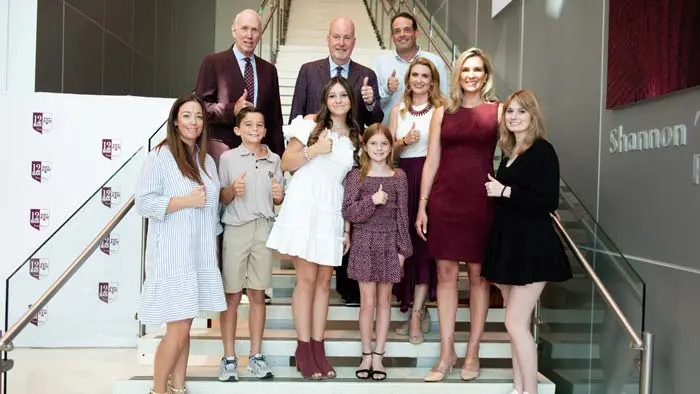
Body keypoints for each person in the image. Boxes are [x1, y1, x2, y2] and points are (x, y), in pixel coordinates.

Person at [415, 47, 502, 382]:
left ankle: (472, 352)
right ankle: (446, 352)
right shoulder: (442, 111)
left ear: (485, 74)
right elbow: (432, 160)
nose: (471, 75)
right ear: (458, 74)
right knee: (446, 275)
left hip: (480, 202)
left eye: (477, 69)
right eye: (466, 69)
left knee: (480, 278)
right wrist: (423, 204)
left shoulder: (498, 110)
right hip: (445, 201)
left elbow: (512, 155)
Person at [266, 77, 361, 379]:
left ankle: (318, 347)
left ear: (350, 100)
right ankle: (303, 347)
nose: (337, 100)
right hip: (305, 204)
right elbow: (286, 162)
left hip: (331, 210)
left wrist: (347, 229)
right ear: (325, 99)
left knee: (324, 283)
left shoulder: (356, 137)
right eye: (332, 95)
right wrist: (314, 150)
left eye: (343, 95)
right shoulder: (309, 125)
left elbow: (349, 185)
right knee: (306, 280)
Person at [135, 93, 227, 394]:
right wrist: (184, 201)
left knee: (186, 329)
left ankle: (178, 387)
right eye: (187, 116)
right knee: (177, 330)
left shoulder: (207, 162)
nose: (194, 122)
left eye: (199, 116)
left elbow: (211, 209)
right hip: (173, 255)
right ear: (175, 121)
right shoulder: (160, 157)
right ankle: (158, 390)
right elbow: (145, 203)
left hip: (199, 254)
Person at [482, 90, 572, 394]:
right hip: (510, 245)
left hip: (533, 247)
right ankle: (520, 387)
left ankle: (530, 391)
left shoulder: (542, 150)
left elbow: (548, 200)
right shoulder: (511, 152)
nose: (514, 117)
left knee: (515, 323)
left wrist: (505, 192)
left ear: (532, 115)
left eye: (521, 111)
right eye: (509, 112)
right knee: (514, 322)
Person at [289, 16, 381, 306]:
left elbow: (372, 122)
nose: (341, 43)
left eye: (347, 38)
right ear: (328, 39)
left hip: (347, 163)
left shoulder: (366, 75)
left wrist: (369, 103)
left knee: (343, 221)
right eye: (336, 37)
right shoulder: (308, 71)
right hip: (314, 165)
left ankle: (347, 287)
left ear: (354, 41)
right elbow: (296, 115)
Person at [216, 108, 284, 382]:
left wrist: (279, 196)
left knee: (258, 294)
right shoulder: (228, 158)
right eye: (248, 124)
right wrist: (233, 190)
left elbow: (277, 199)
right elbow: (221, 195)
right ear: (237, 130)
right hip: (235, 229)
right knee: (232, 294)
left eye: (259, 124)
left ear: (265, 131)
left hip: (264, 230)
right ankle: (229, 357)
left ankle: (256, 356)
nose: (254, 129)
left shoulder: (275, 159)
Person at [342, 123, 412, 381]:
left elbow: (403, 215)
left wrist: (403, 250)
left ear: (391, 146)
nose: (379, 149)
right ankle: (366, 354)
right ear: (365, 146)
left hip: (389, 244)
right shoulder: (355, 176)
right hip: (363, 243)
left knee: (384, 303)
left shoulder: (399, 177)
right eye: (374, 144)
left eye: (384, 144)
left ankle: (380, 356)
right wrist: (372, 201)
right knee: (367, 303)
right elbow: (348, 211)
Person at [387, 57, 443, 344]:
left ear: (432, 81)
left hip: (429, 177)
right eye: (415, 75)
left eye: (425, 75)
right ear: (408, 80)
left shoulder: (440, 111)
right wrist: (403, 142)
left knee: (423, 246)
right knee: (402, 246)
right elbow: (387, 152)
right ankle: (408, 309)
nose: (419, 80)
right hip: (402, 177)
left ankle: (418, 314)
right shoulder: (398, 110)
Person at [195, 9, 284, 164]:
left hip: (260, 158)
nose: (249, 35)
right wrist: (232, 110)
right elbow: (201, 107)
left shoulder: (269, 70)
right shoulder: (213, 63)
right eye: (244, 28)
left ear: (260, 34)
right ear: (233, 31)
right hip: (223, 155)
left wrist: (280, 161)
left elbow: (275, 121)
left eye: (254, 30)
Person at [373, 12, 450, 124]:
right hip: (388, 134)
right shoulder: (381, 63)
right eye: (397, 31)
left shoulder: (435, 62)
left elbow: (443, 100)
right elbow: (373, 106)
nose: (402, 34)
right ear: (392, 37)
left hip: (426, 132)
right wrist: (387, 90)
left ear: (416, 33)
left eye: (407, 30)